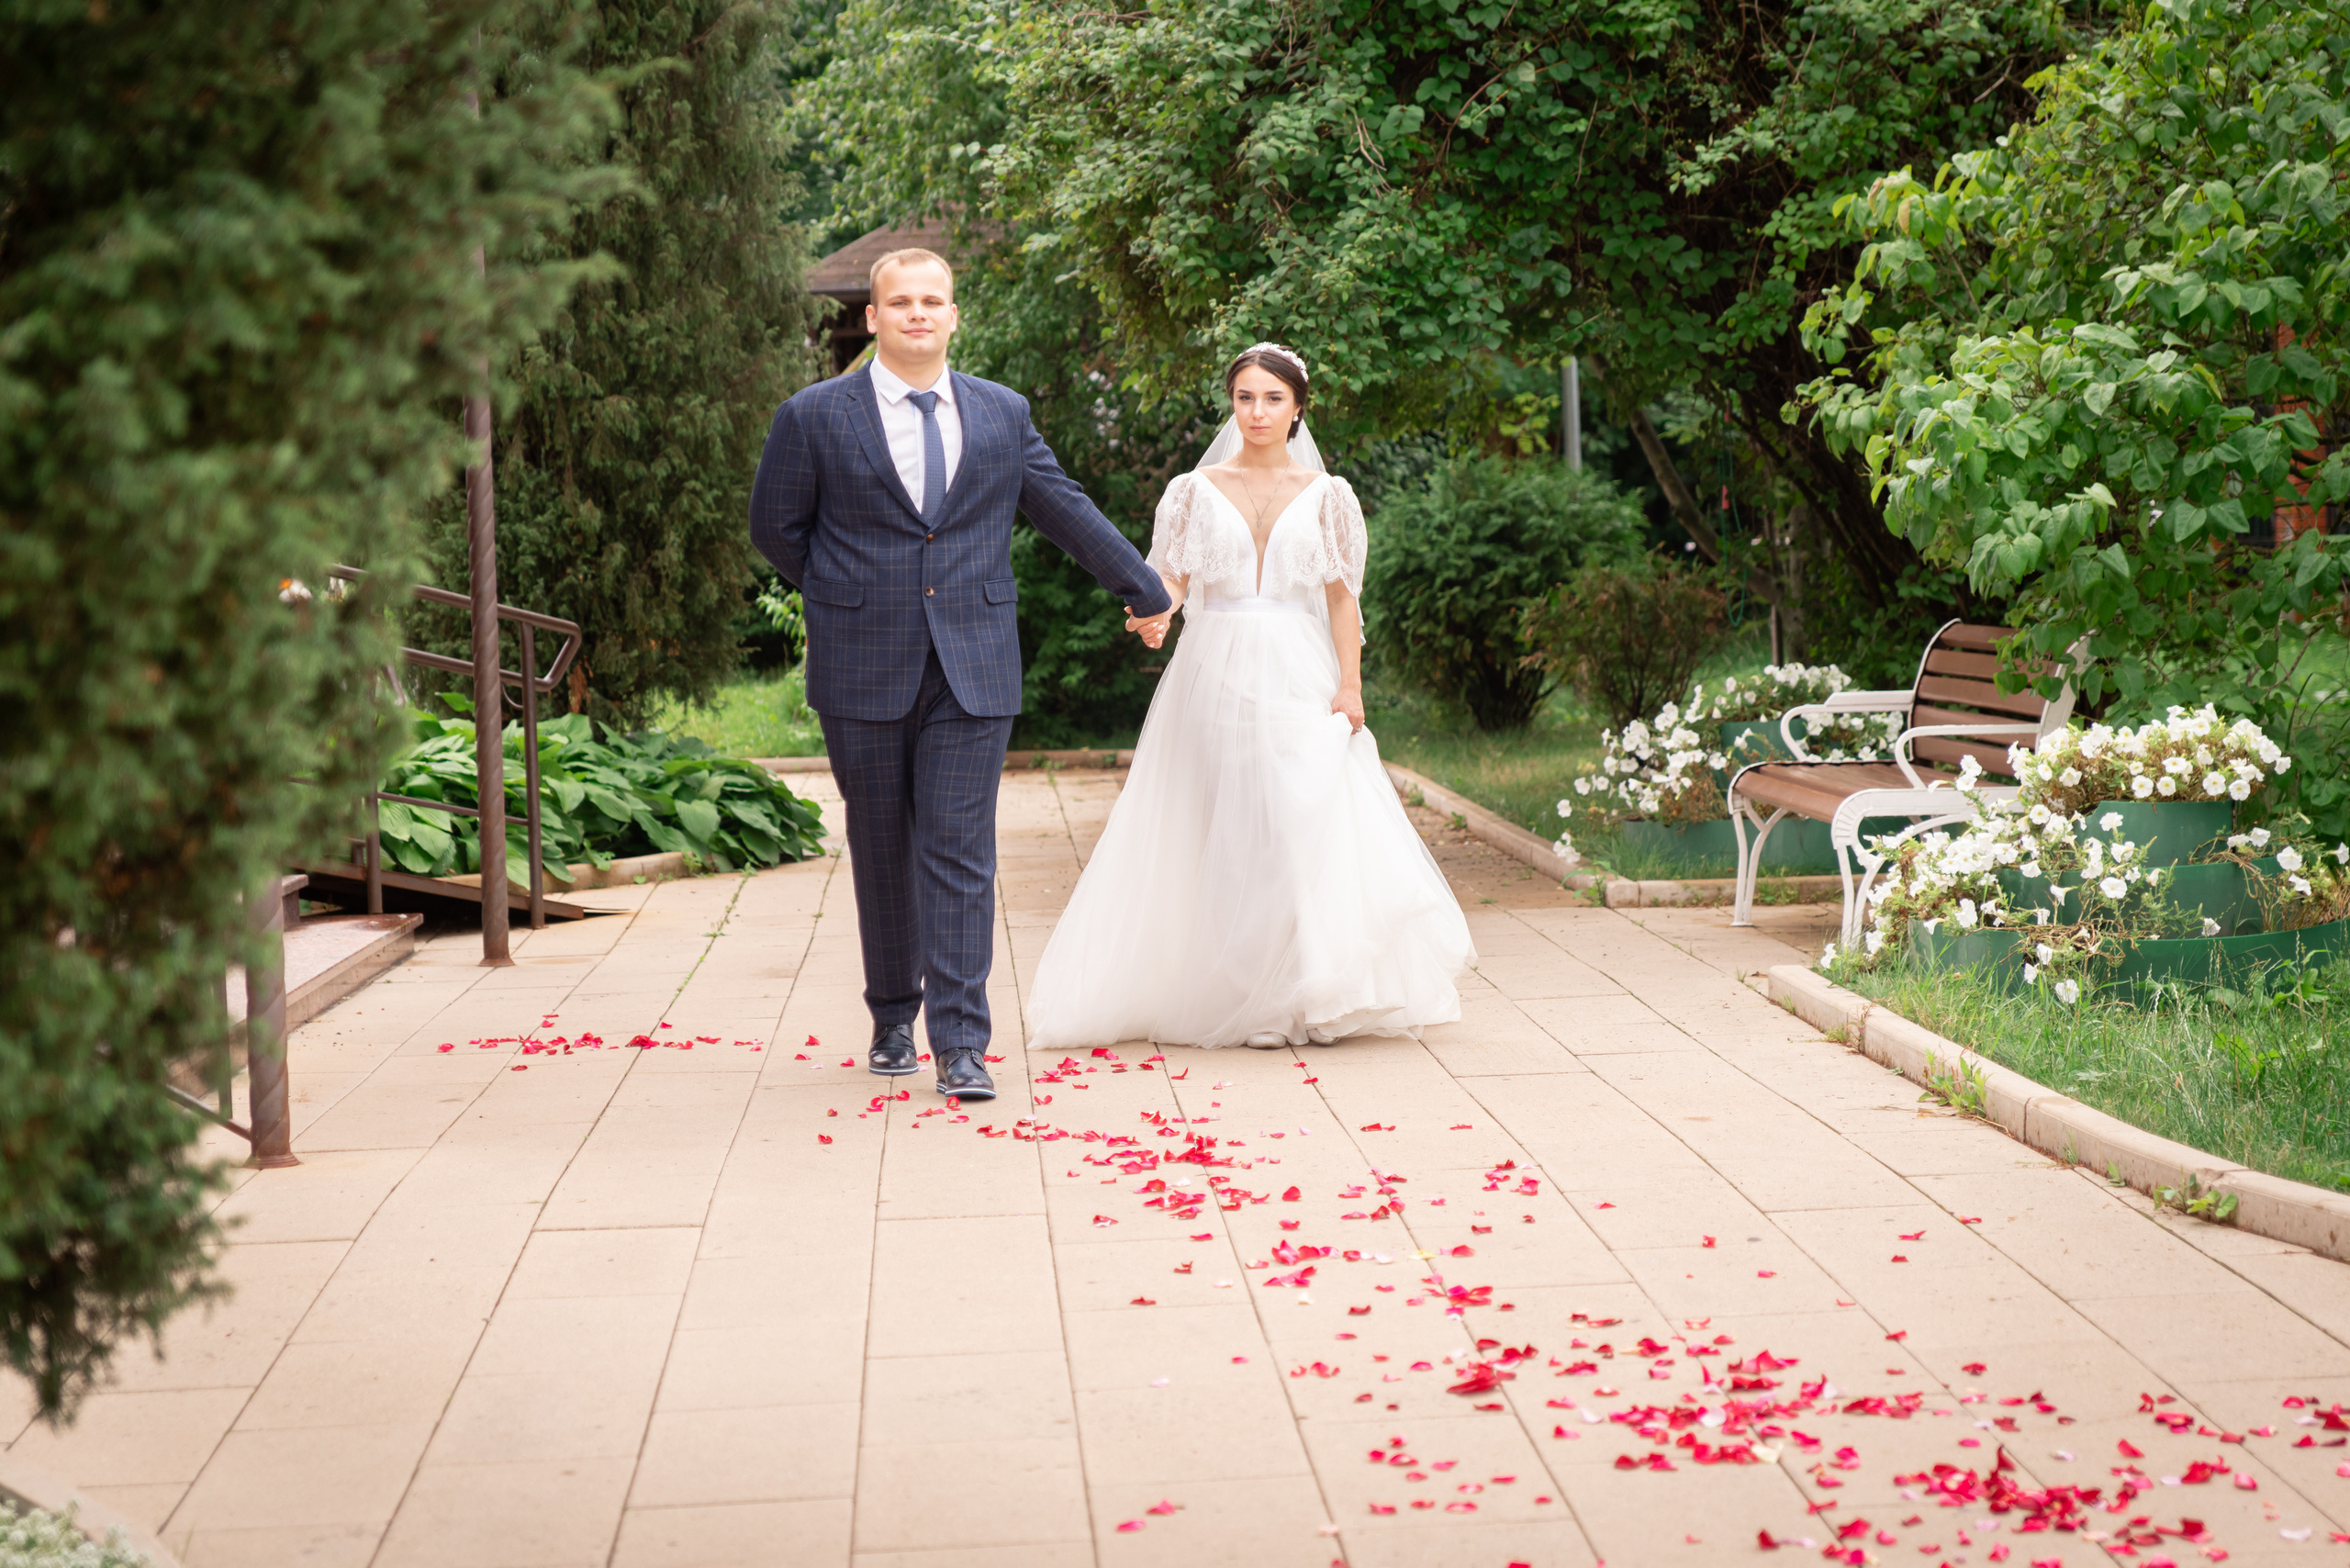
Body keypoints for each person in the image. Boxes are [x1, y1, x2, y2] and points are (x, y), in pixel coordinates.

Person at [748, 248, 1172, 1100]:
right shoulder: (814, 415)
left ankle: (963, 1043)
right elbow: (775, 528)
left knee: (958, 848)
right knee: (880, 847)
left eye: (931, 301)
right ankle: (893, 1017)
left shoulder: (1000, 413)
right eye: (899, 302)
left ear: (952, 315)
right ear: (872, 319)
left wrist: (1144, 587)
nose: (916, 314)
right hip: (862, 662)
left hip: (973, 662)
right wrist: (846, 594)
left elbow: (1063, 506)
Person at [1024, 344, 1475, 1048]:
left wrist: (1351, 687)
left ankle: (1311, 988)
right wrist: (1159, 613)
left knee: (1299, 819)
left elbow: (1342, 602)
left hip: (1301, 670)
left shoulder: (1330, 497)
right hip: (1216, 667)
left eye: (1272, 398)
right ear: (1230, 404)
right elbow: (1170, 577)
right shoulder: (1191, 490)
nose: (1257, 411)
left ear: (1299, 408)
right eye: (1245, 397)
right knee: (1233, 821)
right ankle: (1244, 994)